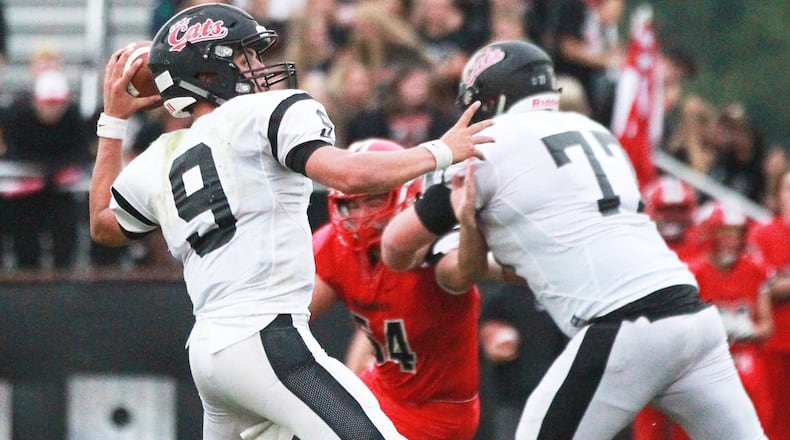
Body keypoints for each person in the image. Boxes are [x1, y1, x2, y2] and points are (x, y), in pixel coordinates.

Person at [88, 4, 493, 440]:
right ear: (207, 73)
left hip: (208, 353)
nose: (260, 67)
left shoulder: (163, 155)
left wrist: (112, 123)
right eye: (245, 57)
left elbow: (102, 224)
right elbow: (350, 175)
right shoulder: (264, 114)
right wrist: (441, 150)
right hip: (266, 339)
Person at [380, 40, 766, 440]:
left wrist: (442, 223)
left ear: (489, 99)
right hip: (694, 319)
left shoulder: (489, 145)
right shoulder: (596, 131)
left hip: (624, 325)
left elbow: (395, 245)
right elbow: (551, 244)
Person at [309, 138, 482, 440]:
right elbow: (290, 312)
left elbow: (462, 275)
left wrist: (468, 226)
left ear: (407, 194)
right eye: (352, 202)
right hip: (380, 389)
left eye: (374, 200)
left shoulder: (432, 245)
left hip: (439, 413)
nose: (361, 215)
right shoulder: (335, 244)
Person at [747, 166, 790, 440]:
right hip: (774, 347)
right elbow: (759, 287)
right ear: (778, 195)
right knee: (771, 426)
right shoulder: (761, 234)